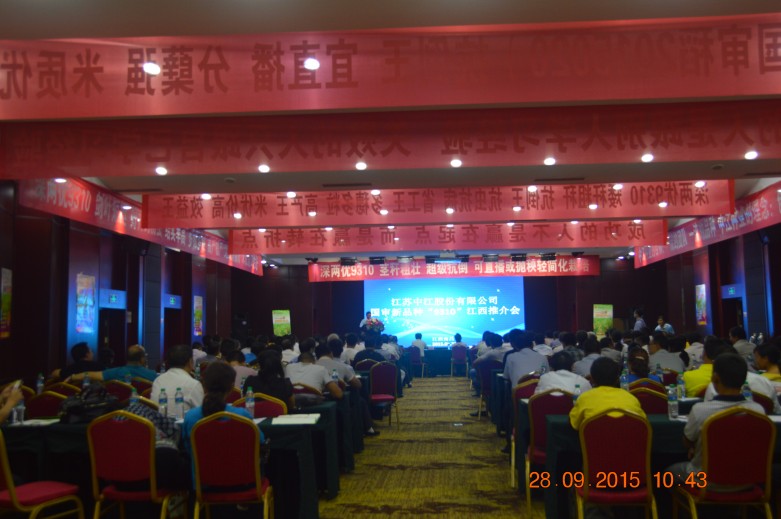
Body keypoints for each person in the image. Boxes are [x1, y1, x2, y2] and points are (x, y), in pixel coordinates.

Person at [666, 353, 765, 487]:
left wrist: (695, 447)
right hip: (748, 481)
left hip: (704, 481)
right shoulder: (758, 411)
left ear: (715, 378)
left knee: (668, 473)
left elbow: (687, 442)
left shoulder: (700, 410)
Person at [182, 362, 259, 473]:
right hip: (242, 479)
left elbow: (188, 447)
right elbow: (259, 442)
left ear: (204, 385)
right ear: (232, 387)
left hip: (203, 480)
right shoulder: (242, 416)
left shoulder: (190, 417)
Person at [569, 357, 646, 430]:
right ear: (617, 379)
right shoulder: (631, 399)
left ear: (592, 379)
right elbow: (643, 423)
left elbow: (574, 424)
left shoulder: (584, 399)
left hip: (595, 439)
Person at [150, 343, 204, 416]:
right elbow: (202, 414)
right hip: (182, 423)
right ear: (190, 362)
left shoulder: (157, 380)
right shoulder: (193, 384)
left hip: (156, 422)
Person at [69, 344, 157, 383]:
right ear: (142, 359)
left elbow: (89, 375)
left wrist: (72, 377)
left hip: (118, 409)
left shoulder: (115, 372)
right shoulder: (153, 375)